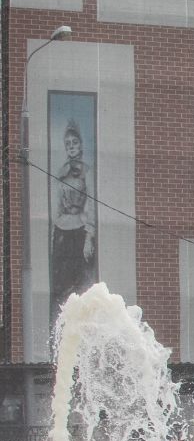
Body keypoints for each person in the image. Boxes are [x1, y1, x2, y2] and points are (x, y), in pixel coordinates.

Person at [49, 122, 96, 312]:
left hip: (79, 233)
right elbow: (56, 211)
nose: (71, 146)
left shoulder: (87, 172)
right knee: (61, 285)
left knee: (82, 285)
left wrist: (88, 237)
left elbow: (91, 205)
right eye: (67, 143)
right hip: (62, 234)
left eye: (74, 142)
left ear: (81, 145)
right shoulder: (60, 173)